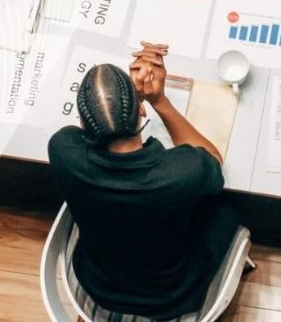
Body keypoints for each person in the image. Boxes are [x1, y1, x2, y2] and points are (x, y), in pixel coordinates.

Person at [47, 41, 239, 319]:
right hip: (172, 296)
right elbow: (212, 159)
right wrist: (159, 99)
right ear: (142, 112)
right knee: (226, 204)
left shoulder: (63, 150)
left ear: (83, 124)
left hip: (99, 283)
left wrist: (115, 106)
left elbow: (82, 133)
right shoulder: (182, 172)